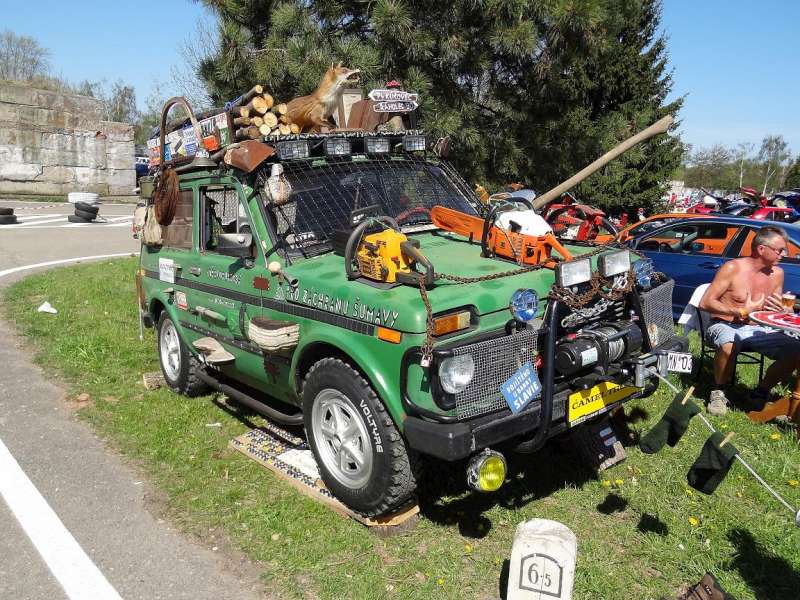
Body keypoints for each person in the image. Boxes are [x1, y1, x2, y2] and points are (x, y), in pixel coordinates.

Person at [698, 226, 800, 415]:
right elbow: (705, 302)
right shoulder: (733, 268)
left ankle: (760, 392)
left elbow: (775, 308)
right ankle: (719, 392)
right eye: (779, 250)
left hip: (758, 329)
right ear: (761, 249)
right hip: (725, 324)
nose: (784, 254)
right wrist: (742, 311)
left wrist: (785, 310)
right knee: (728, 344)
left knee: (796, 349)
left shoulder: (777, 273)